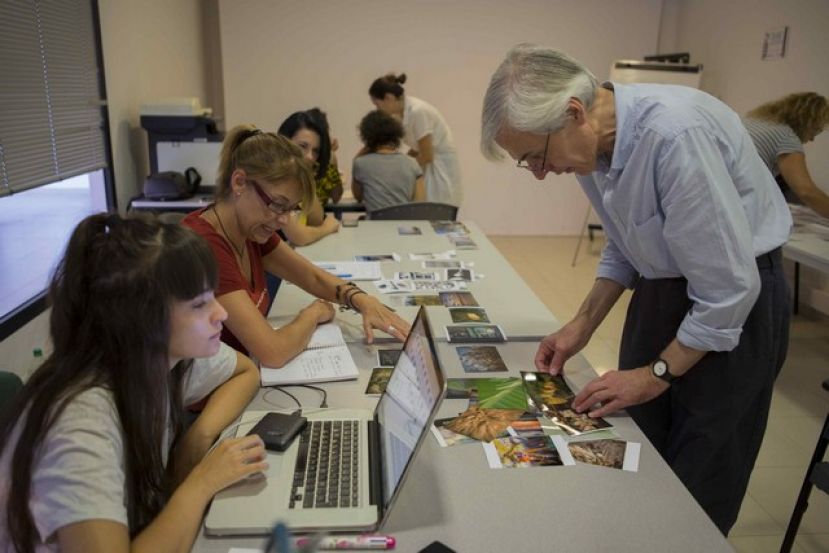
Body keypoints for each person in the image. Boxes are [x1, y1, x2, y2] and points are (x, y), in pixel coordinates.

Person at [480, 43, 792, 535]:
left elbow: (728, 289)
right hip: (665, 293)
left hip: (735, 306)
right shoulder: (592, 149)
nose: (540, 174)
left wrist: (656, 372)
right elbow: (625, 247)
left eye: (536, 157)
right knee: (639, 453)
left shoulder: (673, 134)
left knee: (702, 471)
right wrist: (581, 326)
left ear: (574, 113)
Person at [0, 213, 265, 553]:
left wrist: (196, 440)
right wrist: (201, 482)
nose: (221, 314)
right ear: (143, 321)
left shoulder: (161, 360)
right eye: (199, 304)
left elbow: (245, 372)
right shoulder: (80, 424)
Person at [182, 125, 409, 370]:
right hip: (212, 395)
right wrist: (312, 314)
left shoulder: (250, 228)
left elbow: (310, 276)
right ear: (239, 182)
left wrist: (362, 300)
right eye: (278, 205)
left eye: (291, 208)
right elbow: (273, 352)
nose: (283, 220)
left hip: (243, 375)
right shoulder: (205, 247)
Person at [369, 73, 462, 207]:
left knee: (435, 211)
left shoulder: (418, 111)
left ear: (388, 98)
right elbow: (416, 148)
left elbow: (427, 156)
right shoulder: (400, 115)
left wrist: (402, 169)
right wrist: (401, 162)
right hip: (427, 163)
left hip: (439, 167)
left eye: (377, 104)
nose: (377, 109)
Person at [743, 92, 829, 218]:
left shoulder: (753, 121)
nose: (811, 139)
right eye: (815, 131)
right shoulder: (786, 137)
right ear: (808, 123)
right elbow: (806, 192)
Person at [276, 109, 341, 246]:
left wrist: (307, 178)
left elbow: (316, 220)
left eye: (315, 151)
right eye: (302, 146)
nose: (310, 156)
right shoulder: (275, 178)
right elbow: (298, 237)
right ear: (284, 142)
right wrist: (327, 229)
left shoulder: (297, 179)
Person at [352, 109, 425, 213]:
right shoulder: (412, 163)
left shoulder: (360, 164)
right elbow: (420, 204)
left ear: (367, 137)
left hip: (374, 227)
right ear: (396, 135)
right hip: (403, 226)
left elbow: (358, 197)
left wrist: (360, 154)